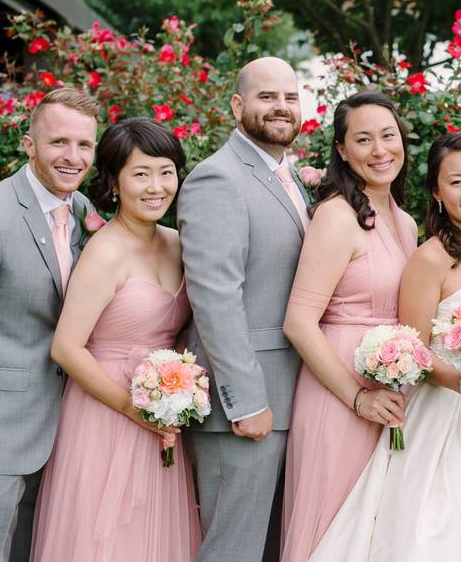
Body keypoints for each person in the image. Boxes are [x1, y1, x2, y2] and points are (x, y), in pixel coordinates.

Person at [309, 131, 461, 560]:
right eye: (456, 182)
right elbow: (415, 349)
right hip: (440, 417)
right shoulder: (431, 257)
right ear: (436, 192)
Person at [30, 118, 198, 561]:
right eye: (141, 174)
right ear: (114, 182)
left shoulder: (180, 243)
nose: (156, 186)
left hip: (163, 412)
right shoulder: (105, 251)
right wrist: (133, 407)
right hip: (105, 413)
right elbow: (66, 347)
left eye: (166, 172)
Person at [177, 56, 311, 562]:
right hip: (246, 406)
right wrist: (246, 400)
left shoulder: (288, 175)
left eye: (290, 97)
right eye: (267, 96)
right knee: (232, 549)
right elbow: (215, 297)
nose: (280, 107)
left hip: (292, 394)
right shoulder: (218, 179)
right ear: (238, 105)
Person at [280, 91, 418, 560]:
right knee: (331, 528)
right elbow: (299, 323)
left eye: (388, 136)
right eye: (363, 139)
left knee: (377, 533)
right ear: (342, 150)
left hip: (393, 391)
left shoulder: (407, 222)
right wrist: (358, 397)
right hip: (338, 394)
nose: (380, 150)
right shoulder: (336, 217)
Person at [0, 88, 98, 562]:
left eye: (84, 145)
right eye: (58, 143)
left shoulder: (86, 212)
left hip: (67, 425)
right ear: (29, 144)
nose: (72, 157)